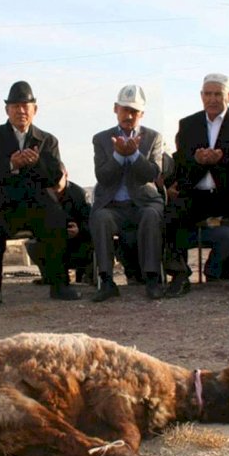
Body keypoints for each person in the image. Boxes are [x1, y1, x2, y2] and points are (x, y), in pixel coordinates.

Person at [0, 81, 81, 309]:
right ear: (7, 110)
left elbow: (54, 177)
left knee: (57, 220)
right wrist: (11, 164)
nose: (20, 111)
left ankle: (59, 284)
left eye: (25, 106)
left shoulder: (47, 140)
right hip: (2, 203)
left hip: (36, 202)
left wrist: (36, 163)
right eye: (15, 106)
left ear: (35, 109)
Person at [166, 73, 229, 299]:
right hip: (198, 192)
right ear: (201, 96)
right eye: (207, 94)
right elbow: (180, 164)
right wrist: (198, 161)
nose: (212, 99)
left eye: (217, 94)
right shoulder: (188, 124)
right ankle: (180, 275)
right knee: (171, 212)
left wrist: (221, 159)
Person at [90, 84, 165, 301]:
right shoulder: (101, 139)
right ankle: (106, 281)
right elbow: (102, 177)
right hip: (113, 206)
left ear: (142, 113)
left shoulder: (153, 138)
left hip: (144, 203)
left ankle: (152, 279)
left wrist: (133, 155)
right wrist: (118, 156)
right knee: (100, 218)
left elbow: (152, 173)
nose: (129, 115)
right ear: (116, 109)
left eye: (134, 111)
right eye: (125, 109)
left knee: (152, 216)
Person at [24, 164, 92, 284]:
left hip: (77, 242)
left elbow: (90, 222)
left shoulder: (79, 195)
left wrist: (78, 230)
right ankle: (50, 276)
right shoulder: (42, 195)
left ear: (66, 175)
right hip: (52, 240)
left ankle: (87, 274)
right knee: (33, 244)